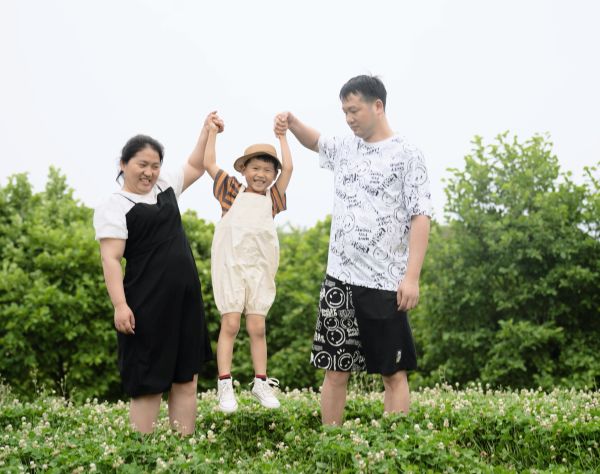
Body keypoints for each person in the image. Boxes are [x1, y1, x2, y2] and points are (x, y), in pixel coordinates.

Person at [274, 75, 432, 425]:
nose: (348, 118)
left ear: (378, 106)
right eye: (344, 111)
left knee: (393, 372)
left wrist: (412, 277)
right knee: (334, 370)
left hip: (385, 281)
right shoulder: (346, 147)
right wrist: (293, 122)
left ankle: (396, 444)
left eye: (354, 110)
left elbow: (421, 216)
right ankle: (332, 443)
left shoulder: (407, 154)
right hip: (339, 279)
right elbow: (316, 141)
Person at [93, 114, 215, 435]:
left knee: (186, 379)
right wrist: (120, 305)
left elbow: (197, 165)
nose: (149, 172)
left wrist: (206, 131)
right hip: (145, 304)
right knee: (148, 383)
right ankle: (142, 454)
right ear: (123, 164)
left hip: (185, 301)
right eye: (142, 164)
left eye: (155, 165)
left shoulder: (165, 186)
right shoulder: (115, 205)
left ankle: (183, 451)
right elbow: (111, 259)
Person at [203, 112, 293, 413]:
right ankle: (224, 384)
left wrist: (282, 136)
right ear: (244, 170)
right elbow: (209, 163)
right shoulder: (231, 191)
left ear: (274, 174)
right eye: (255, 167)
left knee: (257, 327)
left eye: (268, 169)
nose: (261, 174)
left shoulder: (273, 198)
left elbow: (289, 167)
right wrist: (212, 132)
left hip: (259, 269)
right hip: (231, 266)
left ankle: (260, 383)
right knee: (230, 323)